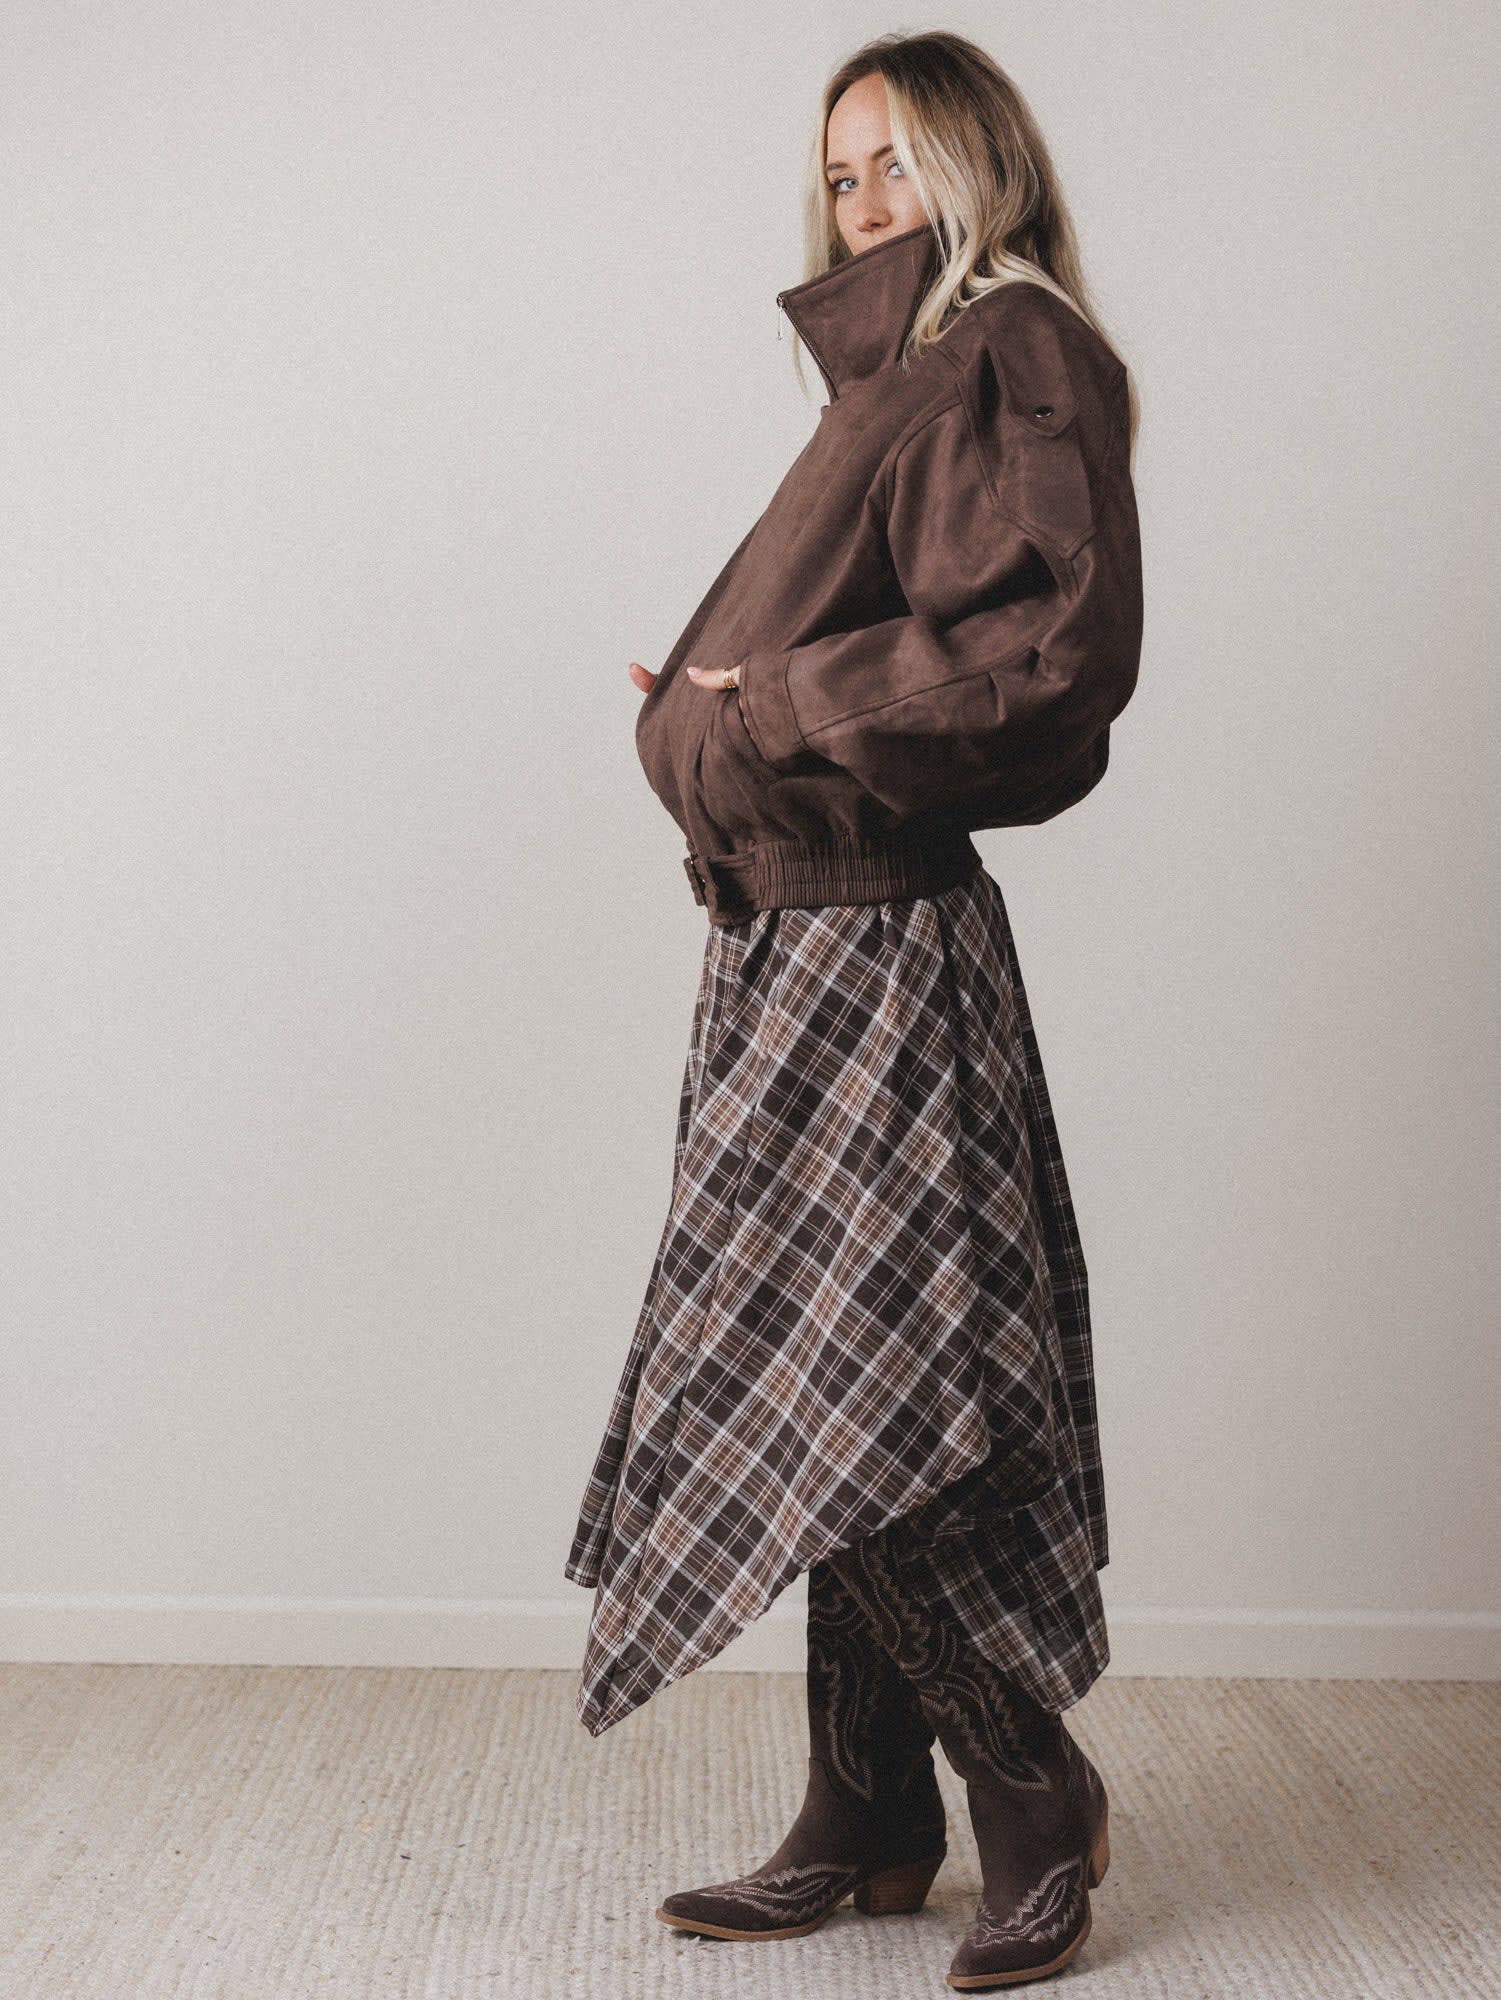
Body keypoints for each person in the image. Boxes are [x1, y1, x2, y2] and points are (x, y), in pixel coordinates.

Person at [563, 27, 1143, 1991]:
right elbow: (864, 631)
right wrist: (708, 711)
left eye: (896, 161)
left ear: (981, 162)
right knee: (832, 1382)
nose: (864, 201)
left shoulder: (1014, 346)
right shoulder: (897, 375)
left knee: (871, 1390)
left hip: (876, 951)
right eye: (839, 174)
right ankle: (869, 1809)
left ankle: (1029, 1793)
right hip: (785, 948)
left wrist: (783, 706)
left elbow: (1055, 645)